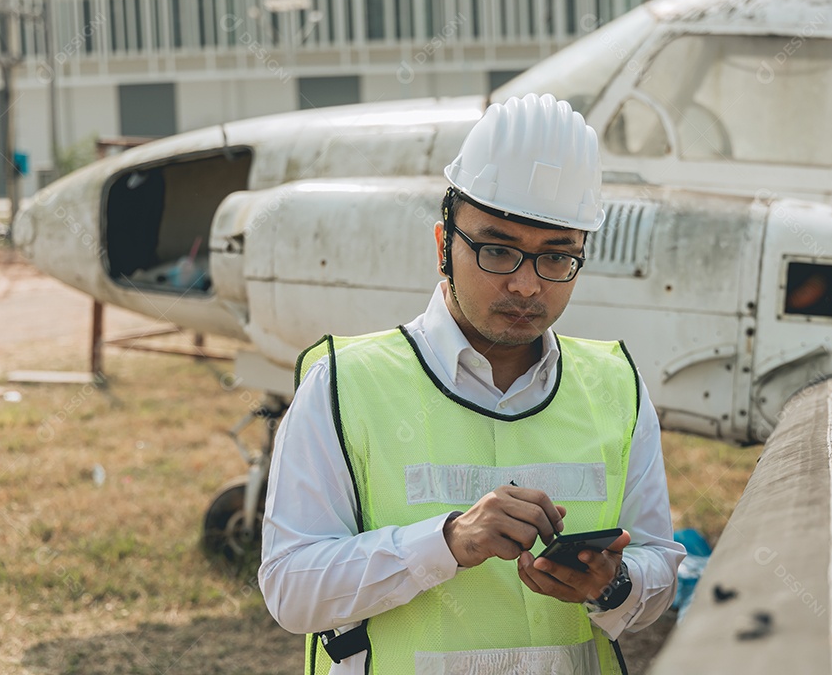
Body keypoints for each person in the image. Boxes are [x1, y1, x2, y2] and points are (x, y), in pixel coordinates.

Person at [259, 93, 685, 675]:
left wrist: (615, 585)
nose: (528, 286)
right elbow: (291, 589)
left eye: (556, 258)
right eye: (497, 250)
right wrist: (447, 543)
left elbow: (659, 569)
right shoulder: (344, 385)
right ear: (443, 246)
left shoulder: (615, 387)